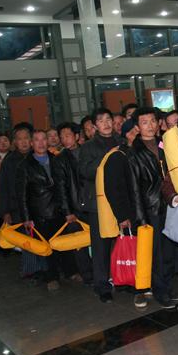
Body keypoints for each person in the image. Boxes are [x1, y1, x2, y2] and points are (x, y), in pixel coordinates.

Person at [16, 130, 78, 291]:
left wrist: (68, 210)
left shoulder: (57, 159)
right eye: (37, 140)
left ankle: (71, 271)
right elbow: (21, 194)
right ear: (31, 143)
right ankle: (52, 277)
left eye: (44, 139)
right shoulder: (25, 165)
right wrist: (26, 217)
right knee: (46, 247)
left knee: (66, 244)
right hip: (40, 212)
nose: (41, 143)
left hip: (60, 210)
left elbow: (64, 186)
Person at [127, 107, 176, 309]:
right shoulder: (133, 153)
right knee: (157, 253)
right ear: (137, 127)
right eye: (144, 122)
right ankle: (161, 291)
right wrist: (141, 217)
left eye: (153, 121)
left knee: (171, 249)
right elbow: (134, 188)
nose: (150, 125)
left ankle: (171, 286)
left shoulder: (167, 145)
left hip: (173, 204)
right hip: (151, 207)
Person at [78, 109, 122, 303]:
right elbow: (85, 171)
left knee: (123, 241)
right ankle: (102, 285)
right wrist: (107, 157)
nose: (106, 123)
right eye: (101, 121)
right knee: (101, 245)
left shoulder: (121, 141)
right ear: (94, 126)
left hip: (121, 200)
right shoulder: (89, 147)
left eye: (108, 119)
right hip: (98, 203)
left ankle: (123, 278)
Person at [0, 123, 47, 278]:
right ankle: (31, 271)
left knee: (41, 238)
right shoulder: (9, 160)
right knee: (26, 241)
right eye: (20, 139)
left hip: (39, 206)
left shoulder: (38, 156)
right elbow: (3, 186)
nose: (24, 142)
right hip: (17, 208)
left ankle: (46, 269)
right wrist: (5, 211)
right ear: (15, 142)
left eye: (26, 138)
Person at [52, 122, 91, 284]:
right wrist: (67, 211)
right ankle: (88, 276)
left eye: (68, 135)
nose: (64, 139)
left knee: (97, 241)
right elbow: (60, 188)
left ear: (76, 136)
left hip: (92, 204)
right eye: (62, 137)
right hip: (75, 208)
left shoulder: (88, 152)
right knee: (80, 244)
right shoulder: (60, 159)